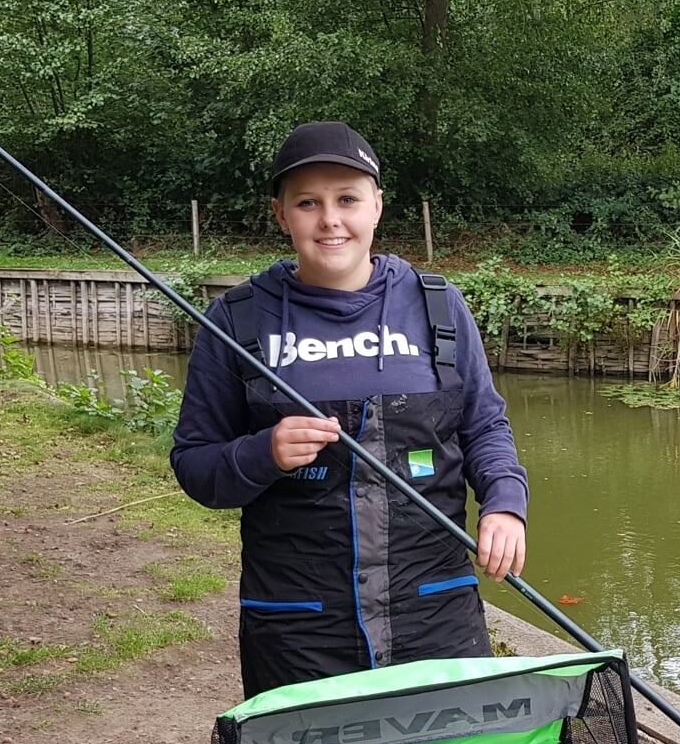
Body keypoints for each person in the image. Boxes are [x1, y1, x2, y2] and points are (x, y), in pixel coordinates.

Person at [171, 121, 528, 701]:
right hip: (297, 625)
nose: (330, 220)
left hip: (435, 608)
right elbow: (195, 465)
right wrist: (262, 452)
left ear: (377, 207)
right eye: (308, 203)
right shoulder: (235, 322)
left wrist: (506, 505)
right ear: (280, 214)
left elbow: (483, 424)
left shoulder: (437, 305)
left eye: (347, 199)